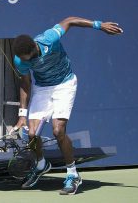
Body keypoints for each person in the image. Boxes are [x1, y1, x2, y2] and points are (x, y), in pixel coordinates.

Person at [10, 17, 123, 194]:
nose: (26, 62)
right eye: (23, 60)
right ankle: (40, 165)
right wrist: (22, 114)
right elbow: (25, 83)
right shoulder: (20, 60)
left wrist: (99, 25)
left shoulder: (49, 38)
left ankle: (72, 174)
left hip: (65, 84)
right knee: (31, 134)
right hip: (42, 88)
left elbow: (69, 21)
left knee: (58, 131)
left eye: (29, 58)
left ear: (34, 48)